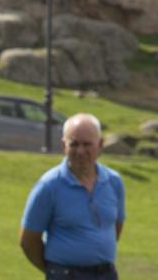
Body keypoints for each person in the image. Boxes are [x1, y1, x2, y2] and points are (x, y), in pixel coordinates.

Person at [20, 113, 124, 279]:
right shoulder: (48, 186)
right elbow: (28, 241)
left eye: (87, 144)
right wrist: (54, 270)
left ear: (100, 144)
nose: (80, 151)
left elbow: (115, 227)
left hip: (105, 274)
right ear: (63, 145)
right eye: (74, 144)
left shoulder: (114, 182)